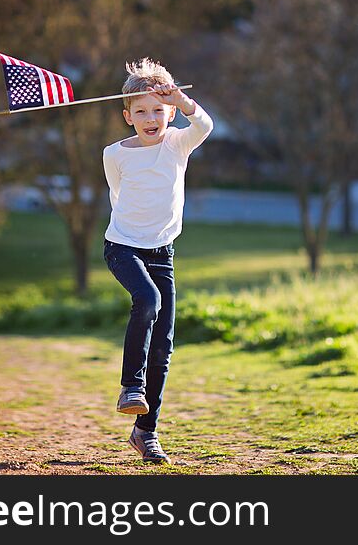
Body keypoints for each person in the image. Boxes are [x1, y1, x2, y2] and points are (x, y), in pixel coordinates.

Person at [102, 58, 213, 464]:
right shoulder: (114, 154)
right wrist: (133, 237)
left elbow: (204, 126)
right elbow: (118, 197)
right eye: (142, 111)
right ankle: (131, 387)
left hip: (162, 252)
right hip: (123, 247)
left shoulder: (178, 143)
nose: (151, 118)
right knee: (147, 301)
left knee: (163, 345)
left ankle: (145, 433)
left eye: (159, 110)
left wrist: (182, 99)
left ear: (169, 113)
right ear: (127, 115)